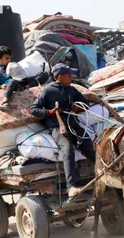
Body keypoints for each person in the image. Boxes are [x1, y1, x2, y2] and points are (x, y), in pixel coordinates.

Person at [30, 63, 96, 197]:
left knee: (89, 145)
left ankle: (102, 174)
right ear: (60, 77)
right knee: (68, 149)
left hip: (74, 125)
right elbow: (33, 110)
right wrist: (50, 112)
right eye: (69, 75)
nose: (71, 77)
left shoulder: (72, 90)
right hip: (57, 127)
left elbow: (85, 103)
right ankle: (71, 186)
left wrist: (78, 107)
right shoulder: (48, 91)